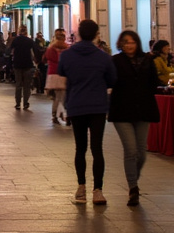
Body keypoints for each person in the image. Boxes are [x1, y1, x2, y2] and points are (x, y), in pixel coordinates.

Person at [58, 18, 117, 206]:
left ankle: (81, 187)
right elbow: (112, 80)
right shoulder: (103, 57)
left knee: (80, 148)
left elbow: (62, 73)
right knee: (97, 148)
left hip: (76, 105)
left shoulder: (67, 55)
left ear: (79, 34)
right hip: (98, 106)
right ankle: (98, 190)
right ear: (95, 35)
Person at [107, 30, 159, 207]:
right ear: (120, 44)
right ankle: (133, 188)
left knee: (141, 153)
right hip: (122, 110)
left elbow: (154, 82)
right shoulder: (115, 61)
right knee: (130, 150)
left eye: (132, 42)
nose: (129, 45)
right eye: (125, 42)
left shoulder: (147, 60)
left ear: (137, 43)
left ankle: (132, 178)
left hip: (143, 109)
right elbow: (110, 81)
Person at [43, 29, 69, 124]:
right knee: (62, 96)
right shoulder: (67, 49)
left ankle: (56, 115)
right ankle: (61, 114)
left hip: (52, 74)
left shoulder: (50, 48)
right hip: (63, 74)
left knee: (56, 97)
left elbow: (45, 59)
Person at [10, 25, 37, 110]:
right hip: (27, 64)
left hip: (17, 64)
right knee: (27, 85)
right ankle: (25, 103)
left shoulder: (15, 40)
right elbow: (35, 51)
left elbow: (10, 50)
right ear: (26, 32)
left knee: (18, 84)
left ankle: (18, 103)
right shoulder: (29, 41)